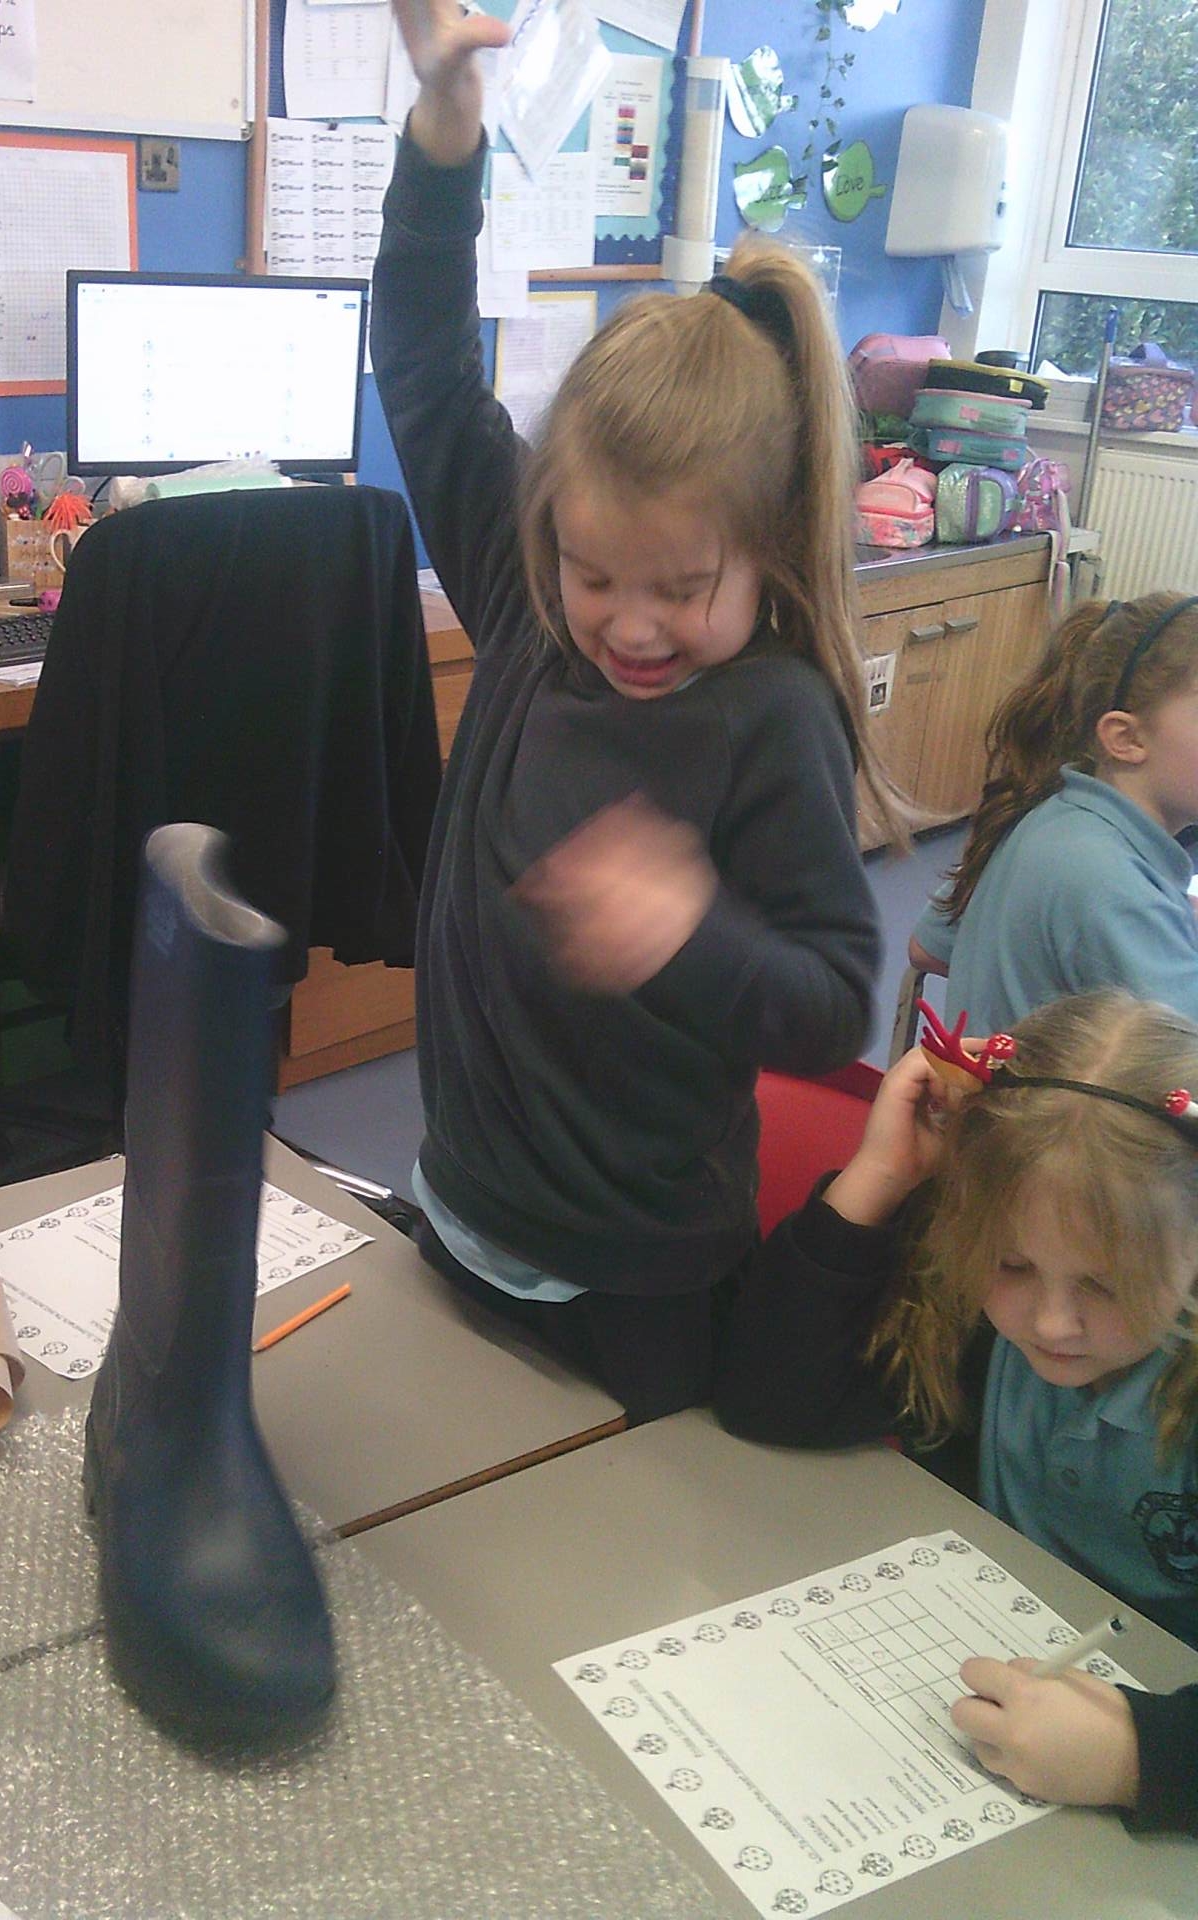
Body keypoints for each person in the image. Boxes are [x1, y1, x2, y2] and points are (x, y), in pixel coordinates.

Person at [370, 0, 896, 1422]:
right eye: (596, 574)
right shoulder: (528, 601)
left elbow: (832, 1004)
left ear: (764, 552)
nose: (630, 625)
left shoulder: (771, 717)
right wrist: (444, 134)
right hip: (458, 1209)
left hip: (640, 1282)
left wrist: (691, 932)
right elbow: (421, 366)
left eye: (681, 587)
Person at [713, 990, 1198, 1834]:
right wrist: (880, 1175)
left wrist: (1141, 1756)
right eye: (1012, 1265)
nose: (1052, 1324)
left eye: (1106, 1283)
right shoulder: (962, 1307)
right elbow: (771, 1401)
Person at [910, 593, 1198, 1030]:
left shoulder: (1053, 815)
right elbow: (1184, 1059)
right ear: (1125, 738)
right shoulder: (1107, 882)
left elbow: (928, 946)